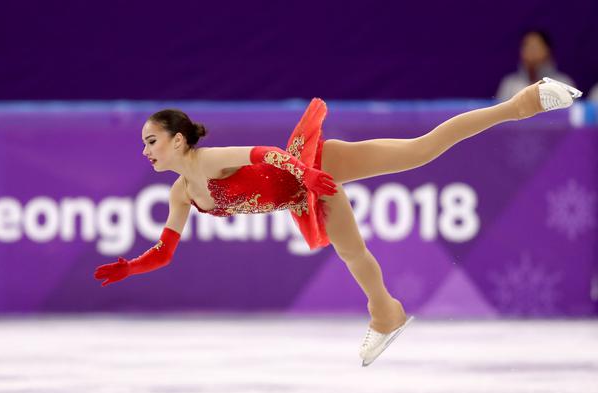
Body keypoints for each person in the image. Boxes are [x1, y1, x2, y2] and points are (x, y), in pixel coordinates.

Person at [94, 78, 582, 367]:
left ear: (179, 141)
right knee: (353, 253)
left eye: (152, 140)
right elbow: (166, 251)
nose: (146, 150)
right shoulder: (181, 192)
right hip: (303, 194)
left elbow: (266, 153)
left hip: (312, 163)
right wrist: (131, 267)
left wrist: (310, 171)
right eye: (144, 143)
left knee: (420, 150)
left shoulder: (207, 160)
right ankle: (386, 313)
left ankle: (526, 102)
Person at [496, 30, 576, 101]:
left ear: (547, 51)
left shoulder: (563, 83)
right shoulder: (510, 84)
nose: (531, 52)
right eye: (526, 46)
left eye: (535, 47)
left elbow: (573, 115)